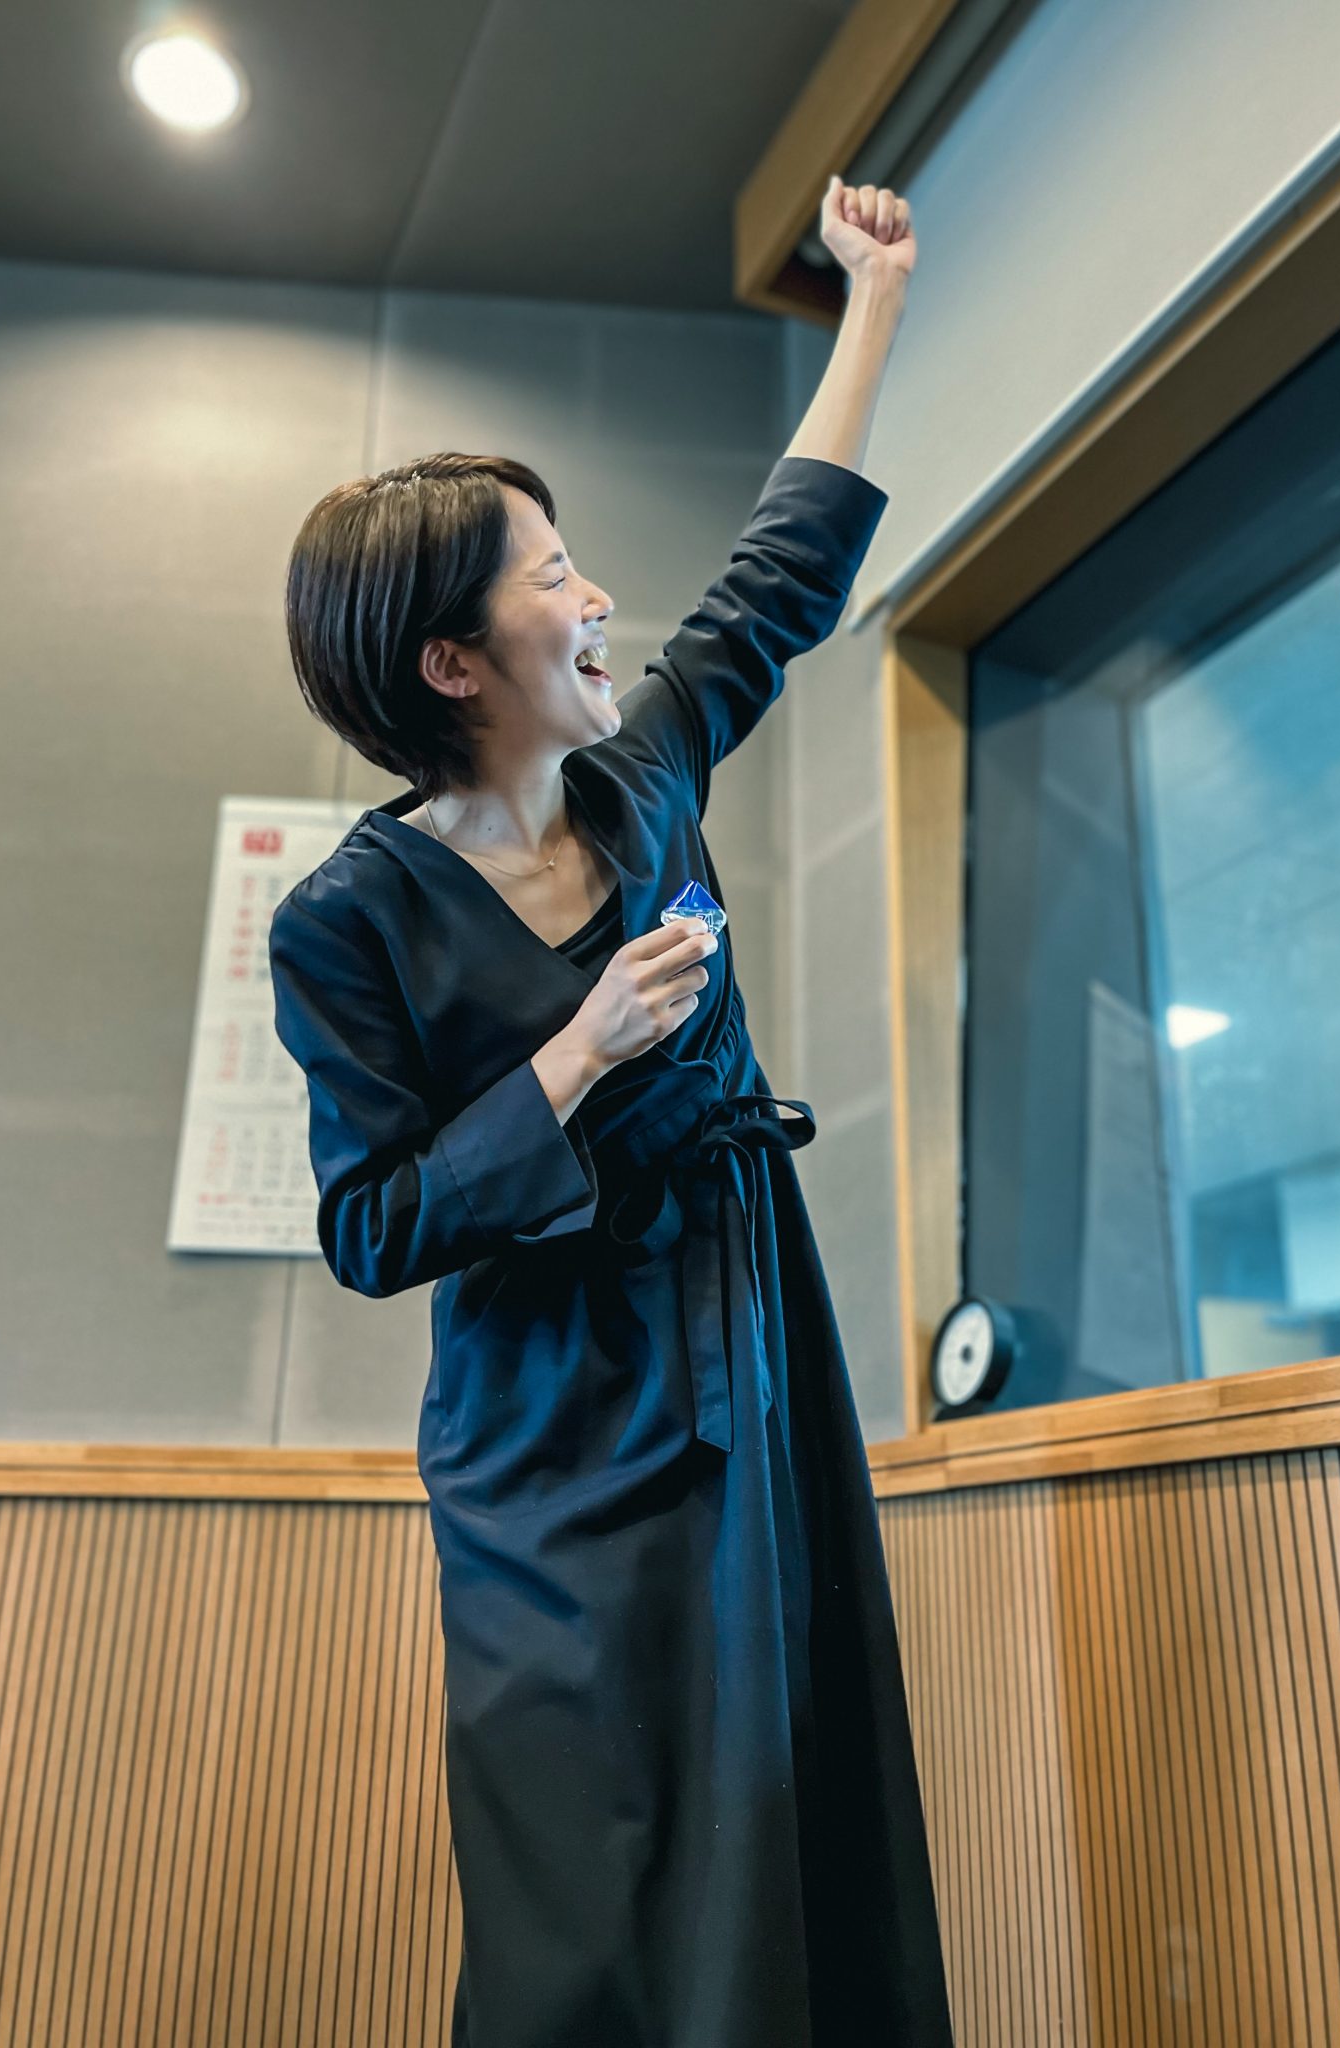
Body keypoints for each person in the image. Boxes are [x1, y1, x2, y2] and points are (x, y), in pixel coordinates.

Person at [268, 178, 952, 2048]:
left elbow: (776, 580)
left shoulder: (643, 781)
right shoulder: (346, 919)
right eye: (554, 575)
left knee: (793, 1796)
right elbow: (371, 1226)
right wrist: (578, 1055)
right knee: (587, 1863)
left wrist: (873, 300)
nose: (599, 602)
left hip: (746, 1345)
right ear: (451, 661)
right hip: (549, 1435)